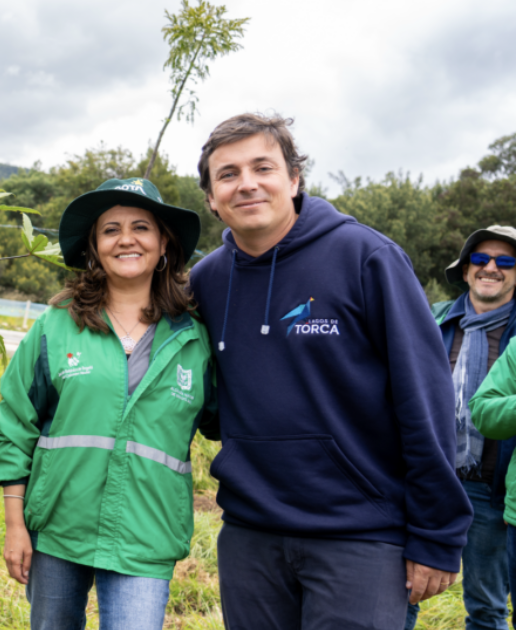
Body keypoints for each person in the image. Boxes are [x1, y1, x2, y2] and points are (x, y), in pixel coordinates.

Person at [187, 113, 472, 629]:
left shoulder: (367, 258)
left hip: (360, 532)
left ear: (294, 179)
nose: (246, 183)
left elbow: (424, 399)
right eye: (227, 174)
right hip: (251, 533)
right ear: (210, 196)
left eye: (262, 167)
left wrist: (436, 532)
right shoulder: (206, 281)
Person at [0, 177, 217, 630]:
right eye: (110, 229)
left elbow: (226, 422)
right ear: (94, 247)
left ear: (163, 244)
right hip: (57, 529)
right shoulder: (56, 326)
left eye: (141, 227)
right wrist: (16, 525)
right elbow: (16, 424)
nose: (126, 239)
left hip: (147, 534)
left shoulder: (195, 339)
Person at [407, 225, 516, 630]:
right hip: (426, 480)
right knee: (406, 588)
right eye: (481, 259)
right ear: (466, 269)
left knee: (487, 606)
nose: (491, 268)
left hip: (492, 489)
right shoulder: (431, 320)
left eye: (506, 261)